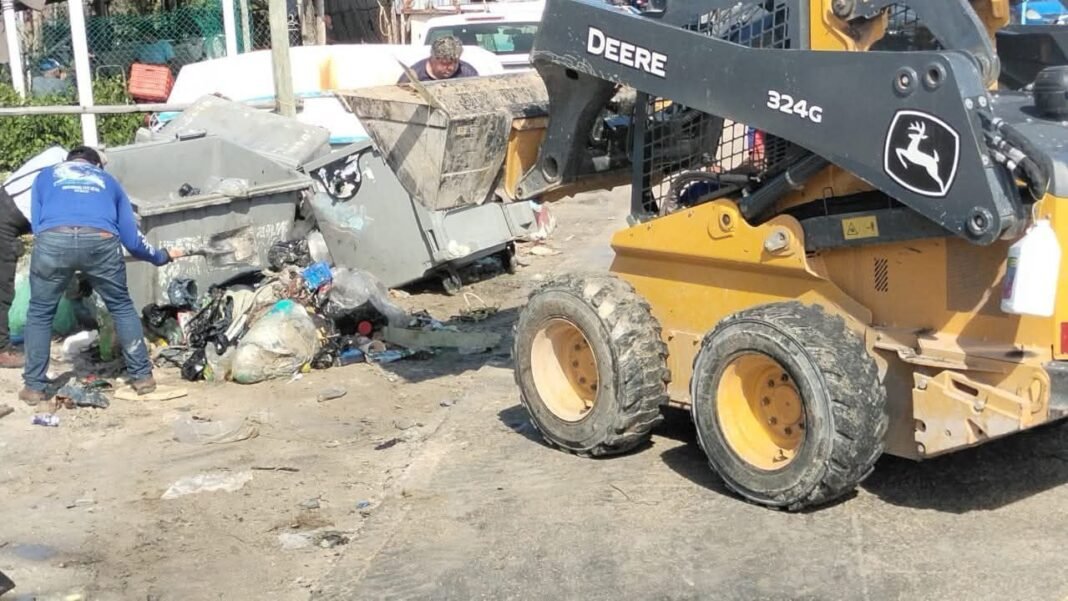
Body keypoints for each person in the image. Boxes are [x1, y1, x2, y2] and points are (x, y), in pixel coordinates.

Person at [19, 146, 184, 405]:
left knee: (40, 311)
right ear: (98, 165)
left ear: (69, 161)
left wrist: (63, 248)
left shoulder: (45, 176)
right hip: (101, 240)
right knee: (120, 305)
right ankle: (142, 377)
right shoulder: (109, 182)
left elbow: (38, 226)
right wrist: (160, 256)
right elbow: (132, 239)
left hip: (53, 240)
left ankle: (33, 387)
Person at [0, 146, 69, 369]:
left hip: (5, 209)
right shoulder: (60, 177)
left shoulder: (56, 153)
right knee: (2, 289)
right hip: (5, 223)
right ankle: (1, 350)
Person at [398, 36, 479, 83]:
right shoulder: (414, 76)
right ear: (432, 59)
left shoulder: (468, 74)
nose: (451, 67)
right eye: (445, 63)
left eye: (455, 62)